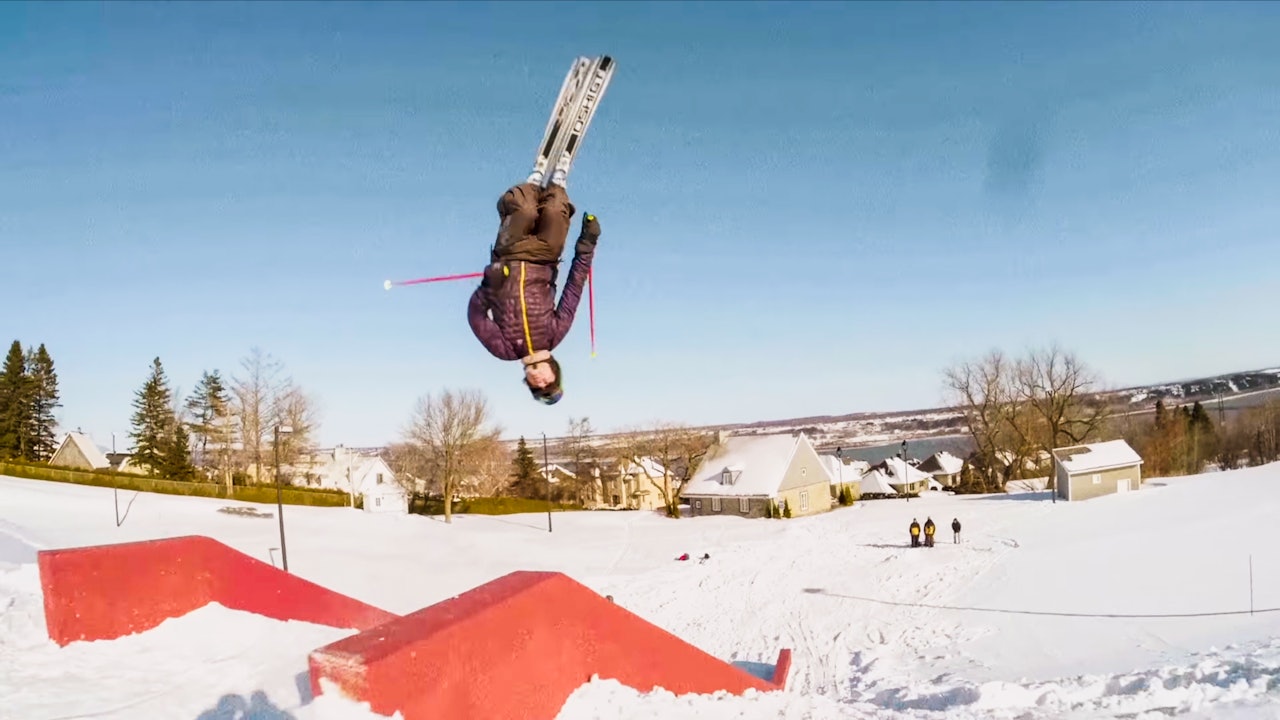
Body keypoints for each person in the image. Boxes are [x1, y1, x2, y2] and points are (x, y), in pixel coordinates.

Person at [467, 176, 600, 405]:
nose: (540, 381)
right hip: (544, 258)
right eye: (549, 382)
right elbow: (574, 286)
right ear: (554, 371)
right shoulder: (555, 334)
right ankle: (558, 179)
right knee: (555, 211)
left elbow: (476, 315)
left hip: (508, 253)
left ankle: (534, 180)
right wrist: (587, 244)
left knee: (524, 209)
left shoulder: (505, 350)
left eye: (536, 388)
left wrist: (491, 284)